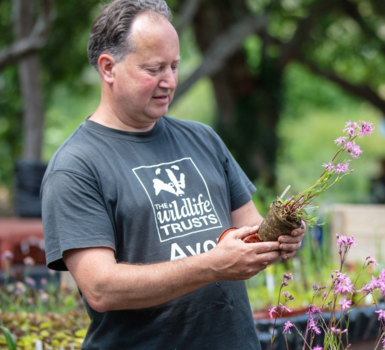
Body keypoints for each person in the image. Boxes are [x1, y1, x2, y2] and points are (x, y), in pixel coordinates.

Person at [41, 0, 305, 349]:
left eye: (175, 66)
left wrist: (282, 237)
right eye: (154, 69)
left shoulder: (203, 139)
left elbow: (251, 231)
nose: (169, 81)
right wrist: (211, 265)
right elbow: (100, 288)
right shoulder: (76, 166)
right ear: (108, 68)